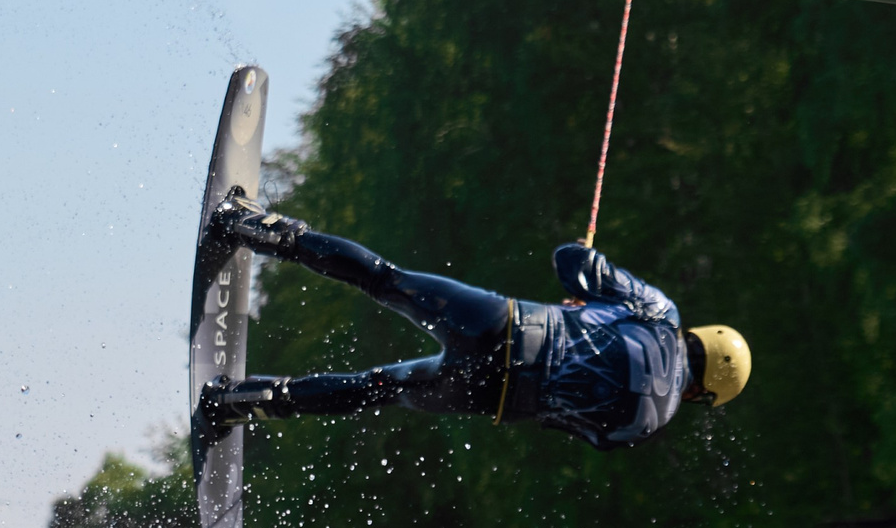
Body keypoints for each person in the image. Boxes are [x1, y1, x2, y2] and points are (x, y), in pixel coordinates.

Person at [190, 192, 750, 460]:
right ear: (703, 390)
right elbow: (573, 424)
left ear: (703, 339)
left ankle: (252, 227)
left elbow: (568, 262)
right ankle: (243, 402)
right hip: (493, 396)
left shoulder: (662, 315)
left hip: (504, 326)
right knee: (377, 388)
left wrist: (585, 278)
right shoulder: (646, 428)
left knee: (385, 280)